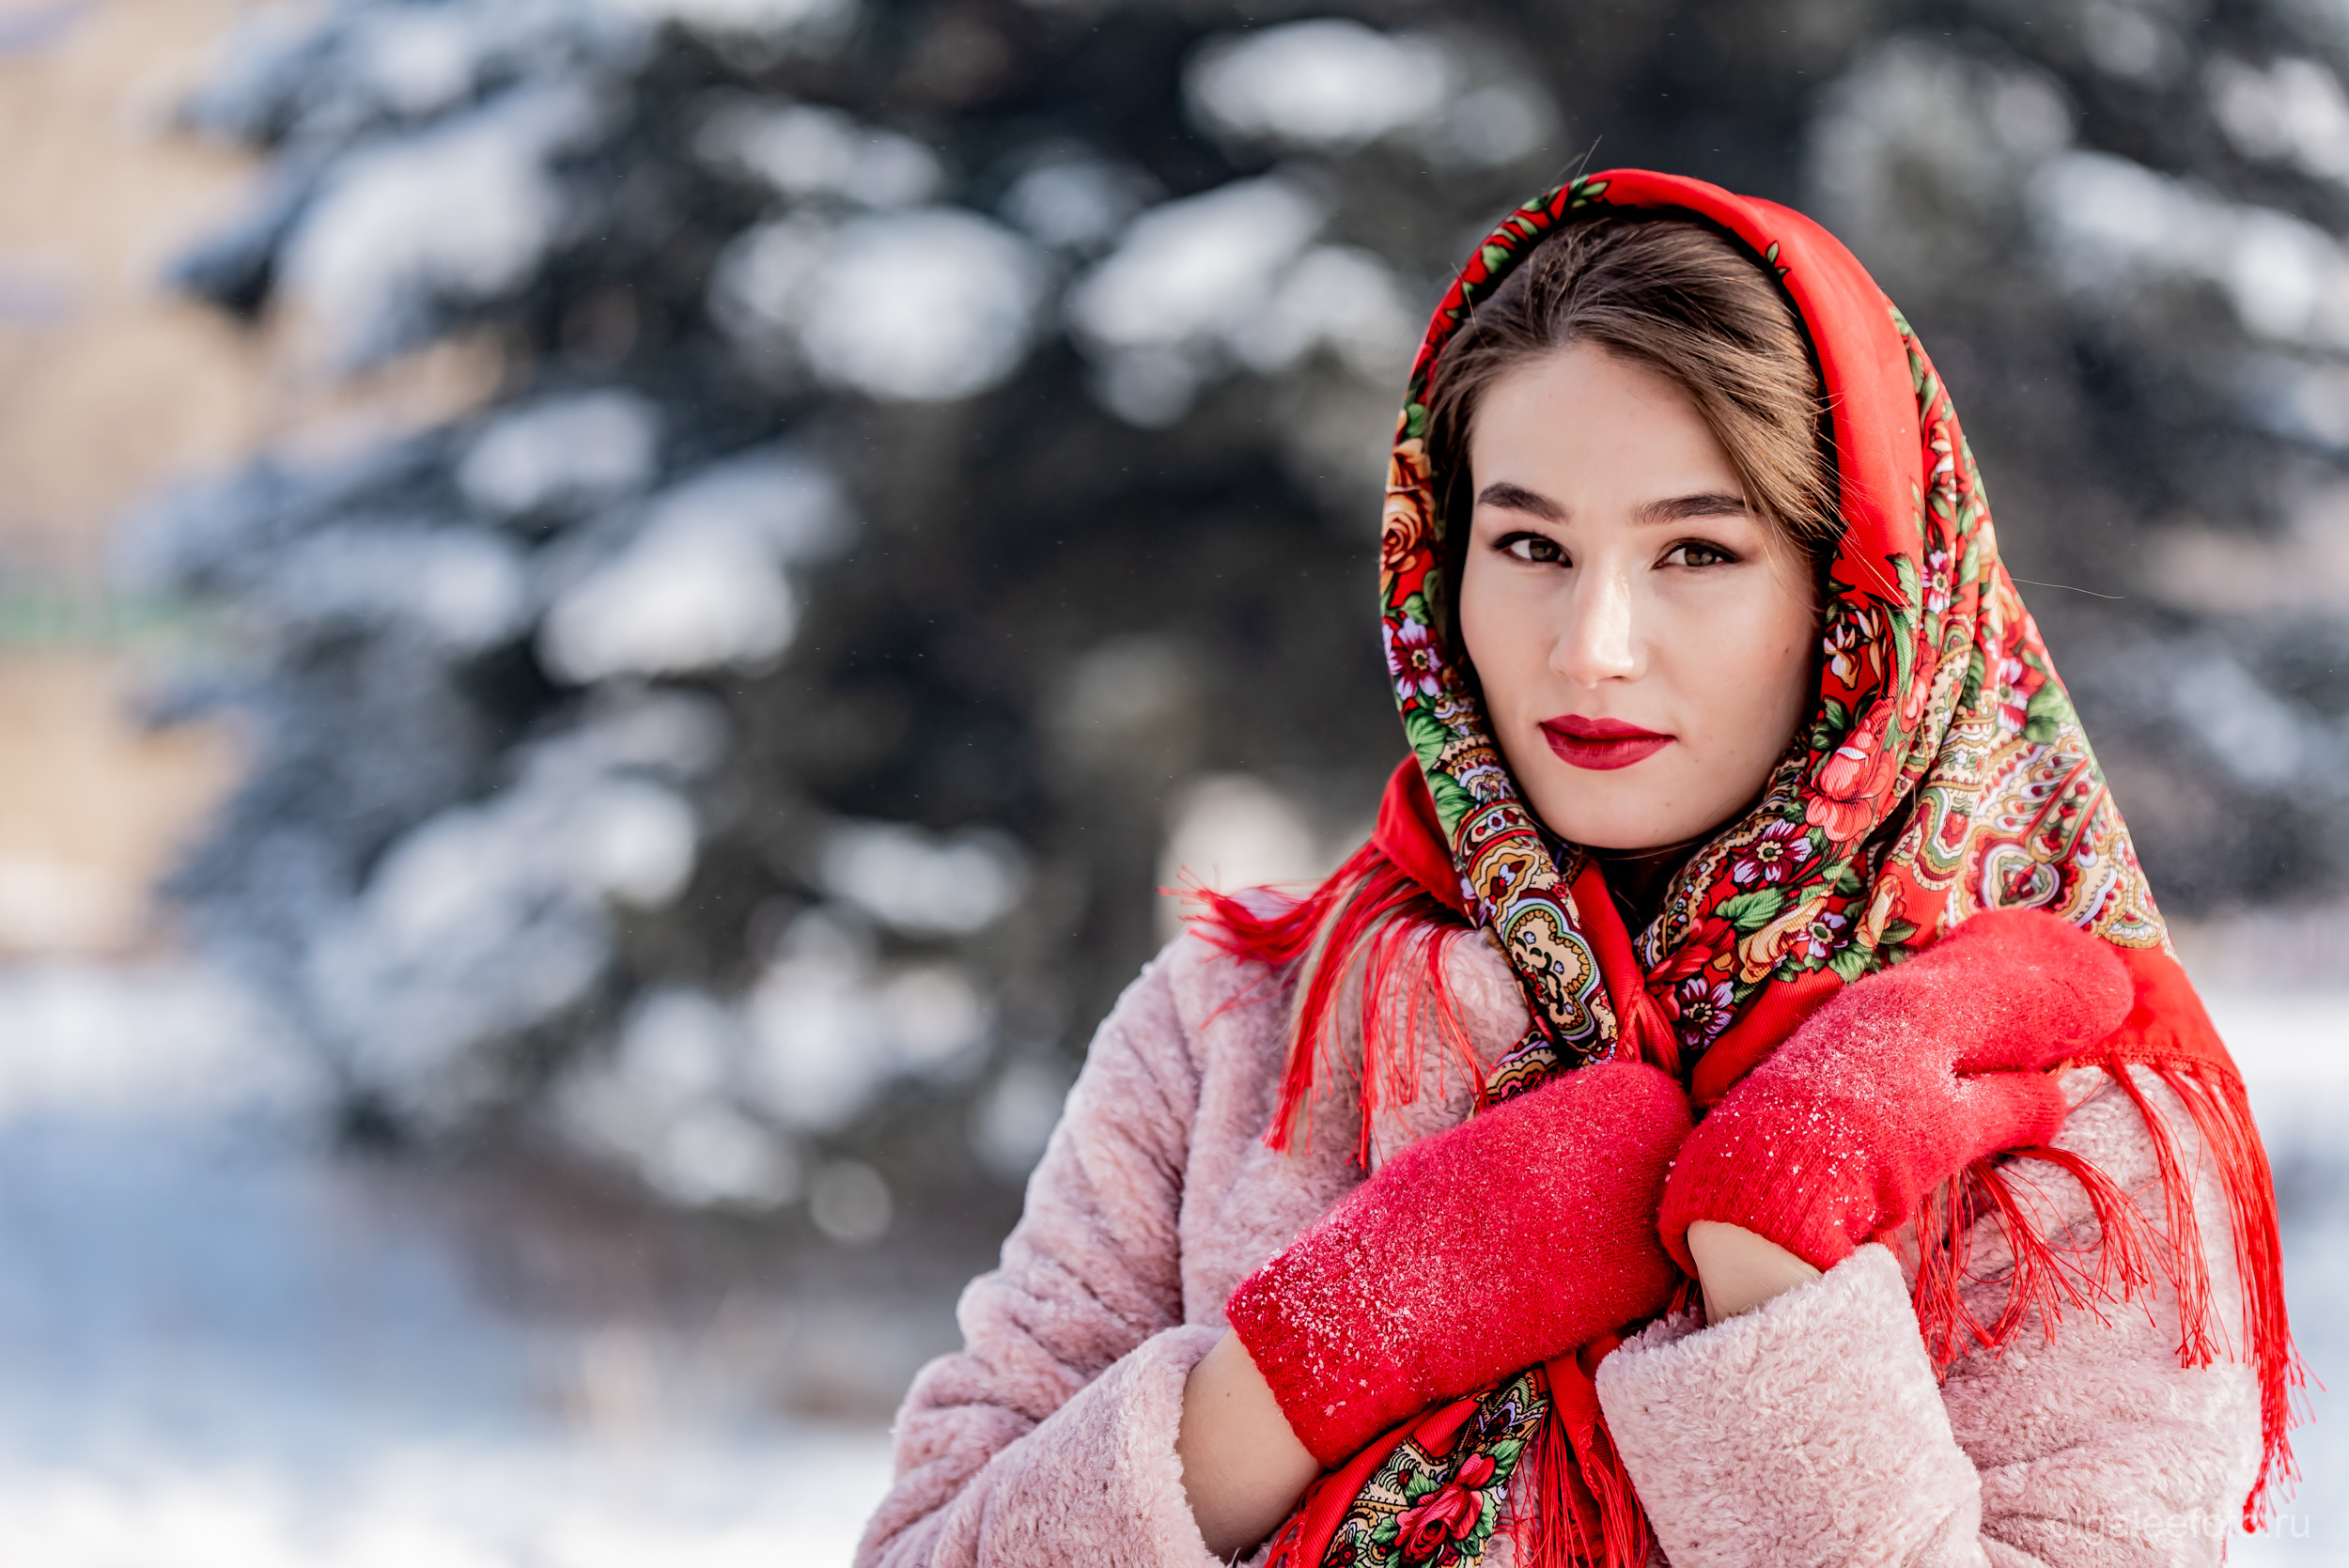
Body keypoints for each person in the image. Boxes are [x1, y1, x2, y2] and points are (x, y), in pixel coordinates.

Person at [853, 171, 2297, 1568]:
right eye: (1531, 542)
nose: (1592, 644)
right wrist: (1319, 1351)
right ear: (1438, 565)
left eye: (1697, 554)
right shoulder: (1237, 1031)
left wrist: (1775, 1263)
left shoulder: (2056, 1120)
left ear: (1852, 596)